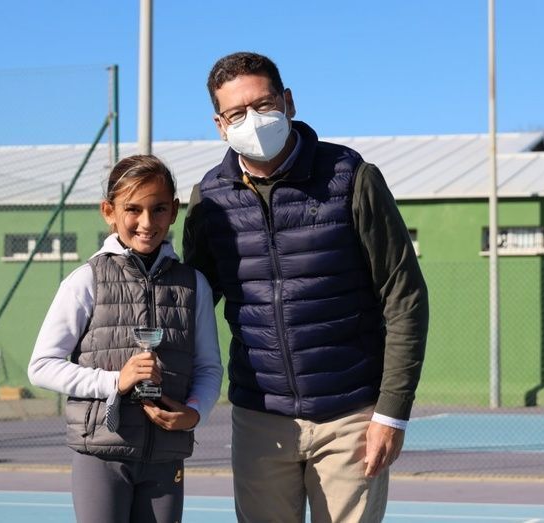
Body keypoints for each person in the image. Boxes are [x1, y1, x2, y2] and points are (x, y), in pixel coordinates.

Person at [182, 52, 430, 523]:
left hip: (351, 415)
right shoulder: (209, 199)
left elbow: (405, 298)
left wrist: (391, 412)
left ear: (288, 102)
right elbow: (188, 304)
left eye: (264, 104)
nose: (254, 120)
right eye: (237, 113)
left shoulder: (351, 177)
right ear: (220, 125)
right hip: (260, 419)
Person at [28, 154, 223, 523]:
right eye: (133, 209)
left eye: (159, 209)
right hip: (101, 453)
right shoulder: (86, 279)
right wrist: (115, 381)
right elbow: (41, 366)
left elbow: (209, 367)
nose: (147, 222)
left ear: (174, 211)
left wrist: (194, 413)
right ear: (109, 211)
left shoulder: (193, 284)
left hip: (166, 455)